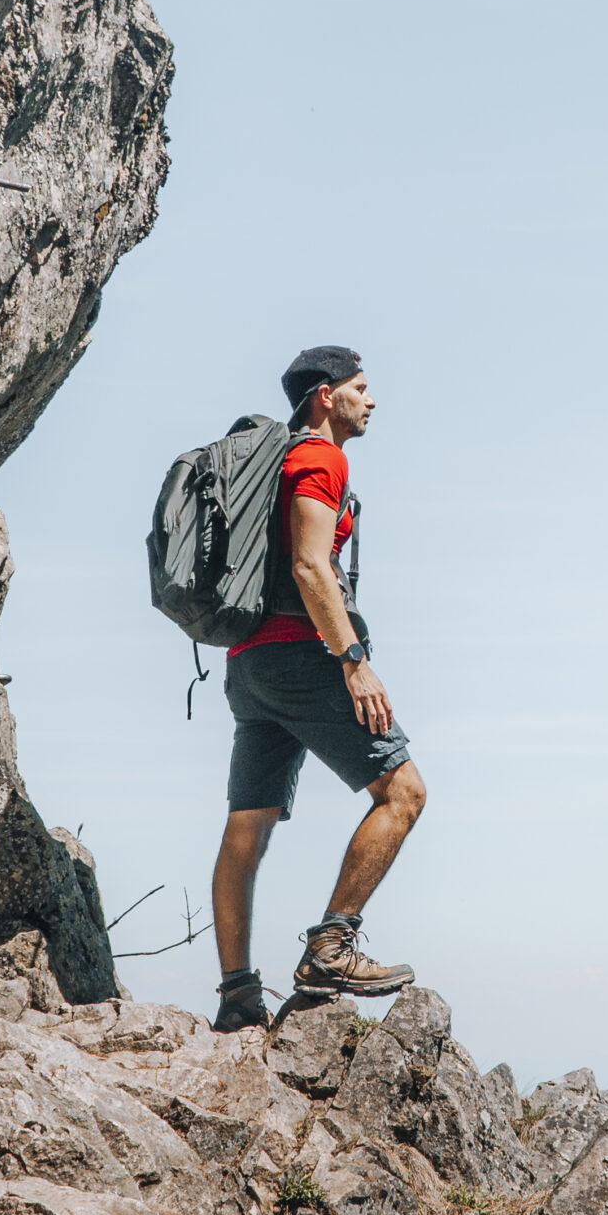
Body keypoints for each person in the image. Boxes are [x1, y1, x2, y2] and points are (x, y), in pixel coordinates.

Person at [210, 345, 428, 1033]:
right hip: (301, 656)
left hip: (248, 665)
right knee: (404, 792)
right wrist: (353, 658)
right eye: (361, 389)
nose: (372, 400)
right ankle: (330, 947)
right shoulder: (317, 457)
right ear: (325, 395)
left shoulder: (274, 460)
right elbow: (310, 566)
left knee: (248, 823)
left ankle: (238, 994)